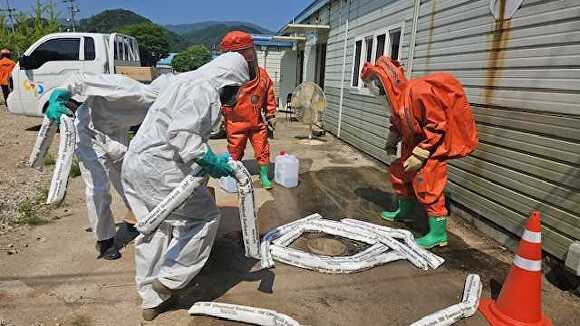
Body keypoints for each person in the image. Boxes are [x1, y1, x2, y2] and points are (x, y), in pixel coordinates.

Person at [120, 52, 249, 321]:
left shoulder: (183, 80)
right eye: (234, 88)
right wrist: (210, 160)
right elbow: (182, 136)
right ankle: (170, 279)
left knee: (153, 229)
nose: (234, 95)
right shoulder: (204, 88)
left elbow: (177, 125)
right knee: (204, 218)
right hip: (161, 170)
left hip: (136, 163)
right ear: (227, 78)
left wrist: (207, 156)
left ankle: (151, 301)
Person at [45, 73, 173, 260]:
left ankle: (137, 218)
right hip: (88, 132)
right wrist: (59, 95)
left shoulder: (159, 110)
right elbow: (79, 79)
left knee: (131, 178)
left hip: (115, 135)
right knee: (98, 188)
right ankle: (105, 241)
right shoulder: (125, 88)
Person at [361, 56, 478, 249]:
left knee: (428, 184)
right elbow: (398, 121)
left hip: (431, 148)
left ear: (386, 81)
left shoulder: (418, 92)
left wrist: (420, 154)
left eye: (375, 84)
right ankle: (405, 211)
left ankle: (438, 234)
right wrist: (392, 140)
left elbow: (437, 124)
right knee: (400, 172)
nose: (375, 90)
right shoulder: (398, 99)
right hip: (412, 144)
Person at [219, 31, 277, 189]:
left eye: (246, 52)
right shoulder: (225, 77)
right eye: (239, 53)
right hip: (235, 123)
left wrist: (271, 114)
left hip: (257, 123)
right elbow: (217, 98)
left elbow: (269, 95)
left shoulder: (262, 76)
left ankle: (264, 176)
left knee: (262, 149)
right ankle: (234, 176)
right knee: (235, 151)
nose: (245, 57)